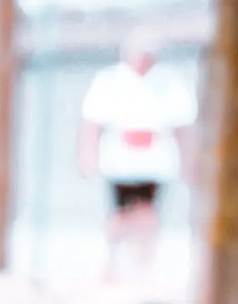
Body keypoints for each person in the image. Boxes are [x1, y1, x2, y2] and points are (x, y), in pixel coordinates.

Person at [78, 32, 196, 283]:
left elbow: (181, 126)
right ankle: (110, 261)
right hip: (120, 160)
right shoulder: (110, 81)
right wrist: (88, 154)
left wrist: (188, 161)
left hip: (154, 161)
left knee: (147, 213)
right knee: (122, 214)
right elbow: (92, 123)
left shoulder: (167, 82)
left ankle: (143, 267)